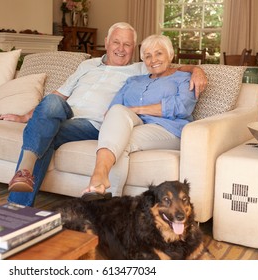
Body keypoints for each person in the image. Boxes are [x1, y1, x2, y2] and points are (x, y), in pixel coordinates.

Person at [0, 22, 207, 207]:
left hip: (91, 124)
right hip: (63, 114)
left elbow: (167, 67)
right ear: (107, 42)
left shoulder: (138, 70)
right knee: (51, 105)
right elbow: (57, 95)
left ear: (133, 50)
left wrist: (196, 69)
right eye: (116, 42)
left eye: (127, 45)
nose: (121, 49)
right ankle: (24, 173)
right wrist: (26, 117)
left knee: (45, 133)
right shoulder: (87, 65)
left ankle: (17, 206)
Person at [81, 34, 198, 200]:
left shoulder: (183, 78)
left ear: (170, 55)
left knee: (122, 143)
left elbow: (181, 107)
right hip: (134, 125)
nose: (153, 60)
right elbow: (113, 111)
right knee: (117, 112)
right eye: (148, 56)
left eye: (159, 53)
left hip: (168, 129)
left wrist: (137, 109)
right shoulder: (133, 81)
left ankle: (106, 193)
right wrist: (123, 115)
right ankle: (101, 184)